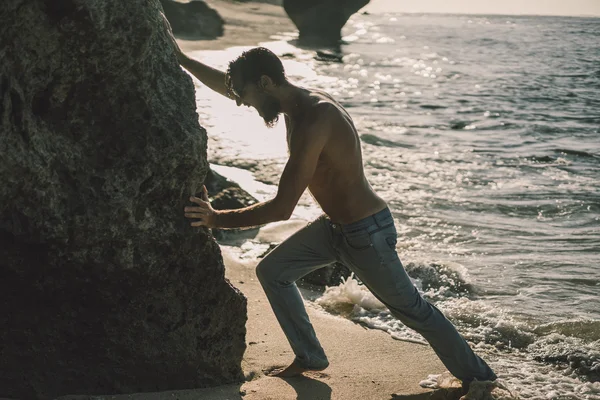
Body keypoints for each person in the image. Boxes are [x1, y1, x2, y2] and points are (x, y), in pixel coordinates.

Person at [164, 16, 497, 390]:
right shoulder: (293, 102)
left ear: (266, 83)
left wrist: (215, 218)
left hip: (367, 233)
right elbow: (233, 92)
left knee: (413, 310)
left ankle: (481, 380)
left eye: (247, 95)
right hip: (335, 228)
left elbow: (281, 209)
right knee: (273, 272)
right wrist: (181, 59)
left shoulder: (315, 120)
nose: (243, 104)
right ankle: (310, 356)